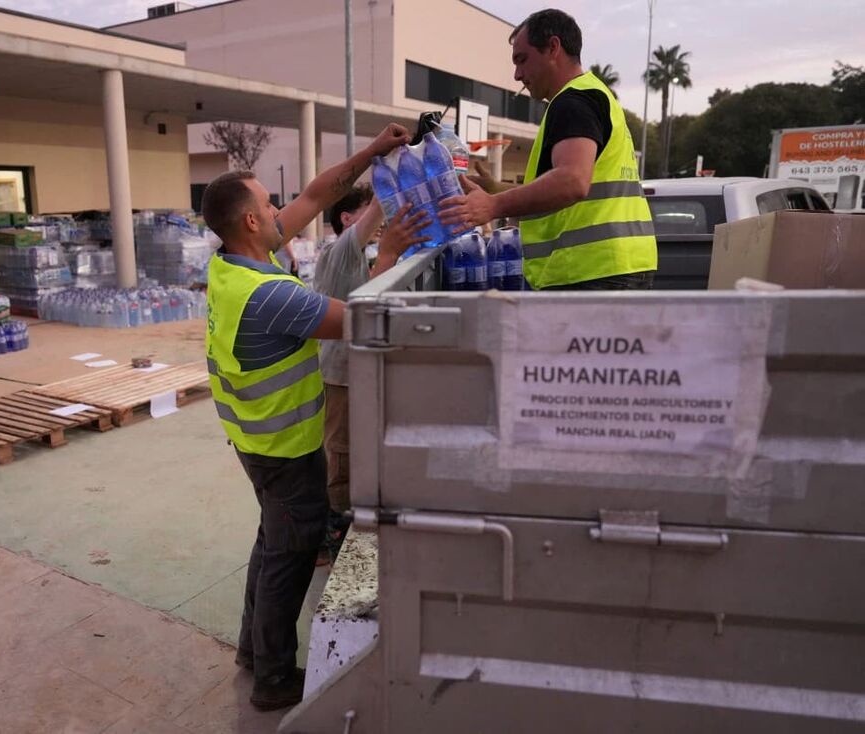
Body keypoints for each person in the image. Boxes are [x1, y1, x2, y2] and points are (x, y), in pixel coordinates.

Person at [201, 122, 426, 711]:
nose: (282, 208)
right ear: (251, 221)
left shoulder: (232, 265)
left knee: (271, 543)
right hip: (284, 446)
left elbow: (317, 196)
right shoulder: (271, 294)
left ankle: (254, 652)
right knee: (290, 558)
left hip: (253, 439)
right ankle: (273, 678)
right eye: (269, 204)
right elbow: (357, 319)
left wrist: (374, 152)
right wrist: (392, 256)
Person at [440, 8, 657, 290]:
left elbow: (572, 182)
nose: (517, 75)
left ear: (553, 47)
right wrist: (497, 188)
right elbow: (581, 186)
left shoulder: (572, 102)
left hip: (590, 271)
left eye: (522, 60)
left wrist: (494, 205)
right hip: (619, 264)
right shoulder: (595, 95)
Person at [311, 184, 423, 565]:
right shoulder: (336, 252)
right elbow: (366, 302)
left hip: (358, 373)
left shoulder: (359, 257)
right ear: (346, 218)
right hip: (340, 377)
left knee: (357, 455)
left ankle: (343, 529)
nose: (378, 224)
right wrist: (389, 176)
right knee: (339, 459)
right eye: (368, 215)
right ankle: (328, 542)